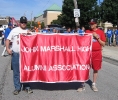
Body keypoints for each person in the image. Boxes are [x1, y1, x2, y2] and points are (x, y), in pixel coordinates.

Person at [6, 16, 33, 95]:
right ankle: (17, 88)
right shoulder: (14, 31)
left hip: (26, 55)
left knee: (26, 71)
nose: (23, 24)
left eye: (25, 22)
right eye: (22, 22)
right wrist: (7, 49)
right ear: (19, 23)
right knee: (16, 72)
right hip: (16, 54)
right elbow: (8, 40)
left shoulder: (28, 31)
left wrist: (29, 35)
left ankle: (26, 87)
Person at [77, 18, 106, 92]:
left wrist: (97, 37)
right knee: (85, 68)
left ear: (96, 24)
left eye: (92, 24)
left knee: (95, 69)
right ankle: (82, 84)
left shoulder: (100, 32)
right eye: (90, 23)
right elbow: (82, 41)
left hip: (97, 52)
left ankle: (93, 84)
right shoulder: (87, 31)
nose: (91, 25)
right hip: (87, 53)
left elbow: (103, 44)